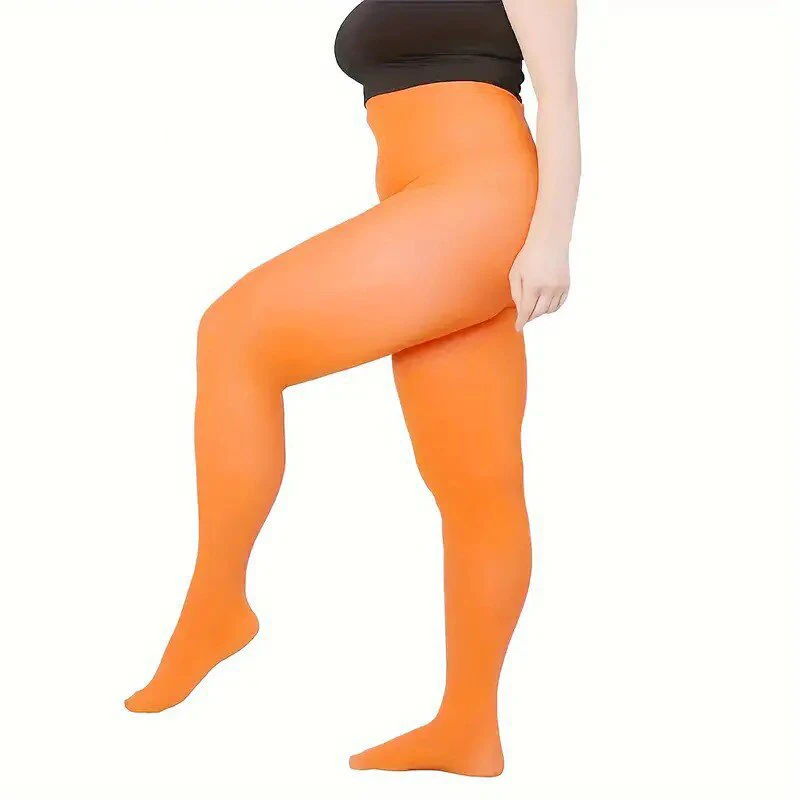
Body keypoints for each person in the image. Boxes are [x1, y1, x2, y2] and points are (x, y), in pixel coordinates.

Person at [125, 0, 581, 778]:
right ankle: (469, 730)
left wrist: (552, 240)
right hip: (427, 206)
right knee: (477, 483)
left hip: (478, 202)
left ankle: (216, 606)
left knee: (235, 334)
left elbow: (560, 95)